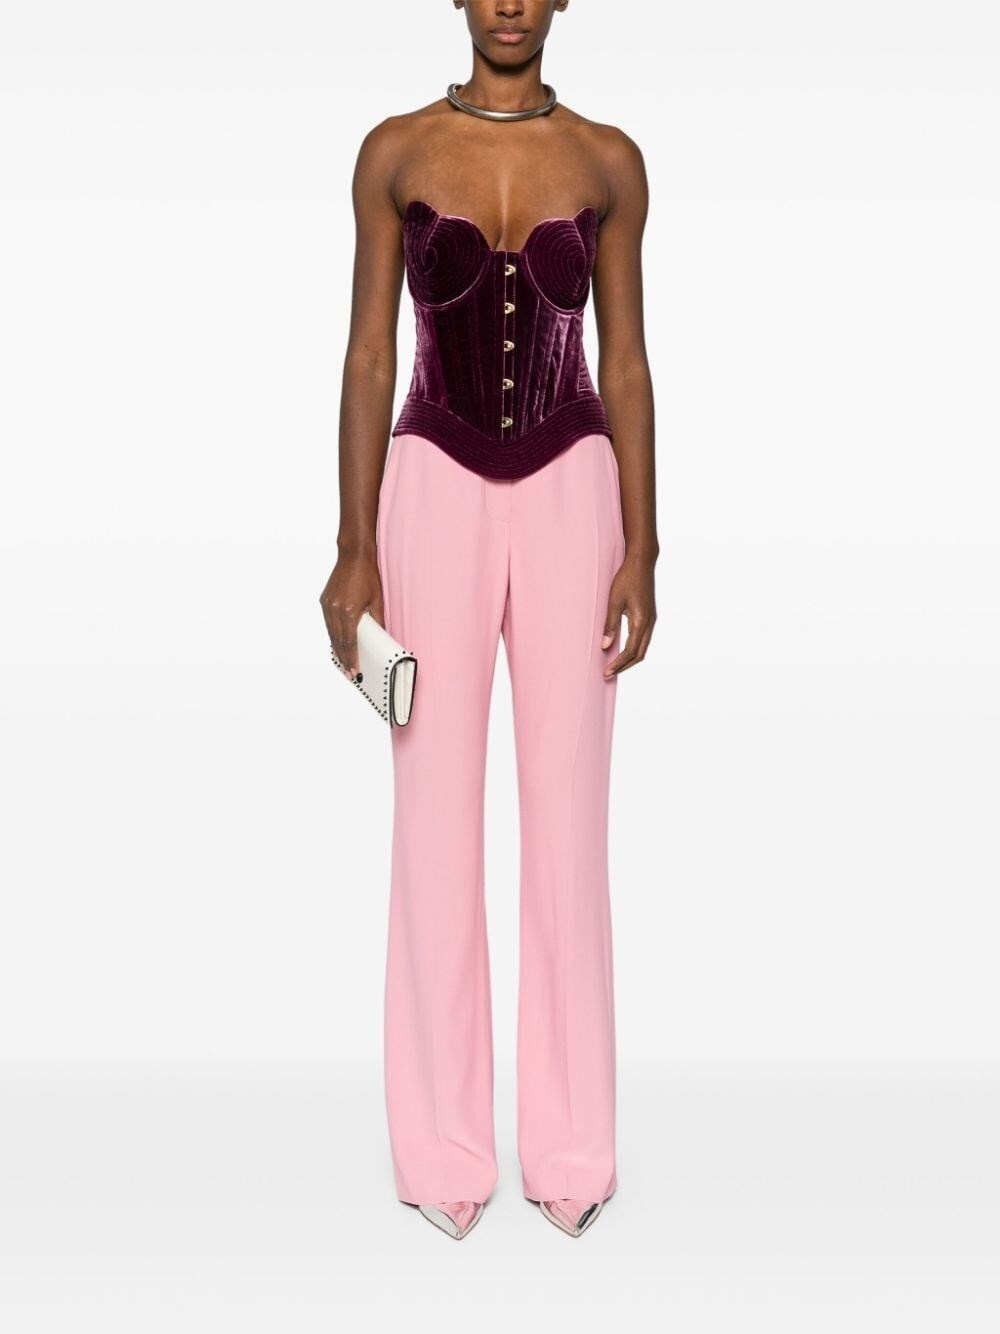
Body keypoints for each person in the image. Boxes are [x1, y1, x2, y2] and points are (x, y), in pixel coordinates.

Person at [319, 0, 657, 1240]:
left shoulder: (607, 159)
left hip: (572, 483)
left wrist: (644, 543)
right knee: (434, 814)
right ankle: (441, 1148)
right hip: (431, 483)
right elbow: (368, 357)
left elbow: (625, 361)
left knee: (568, 821)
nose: (509, 2)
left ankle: (571, 1148)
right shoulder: (396, 149)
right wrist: (354, 544)